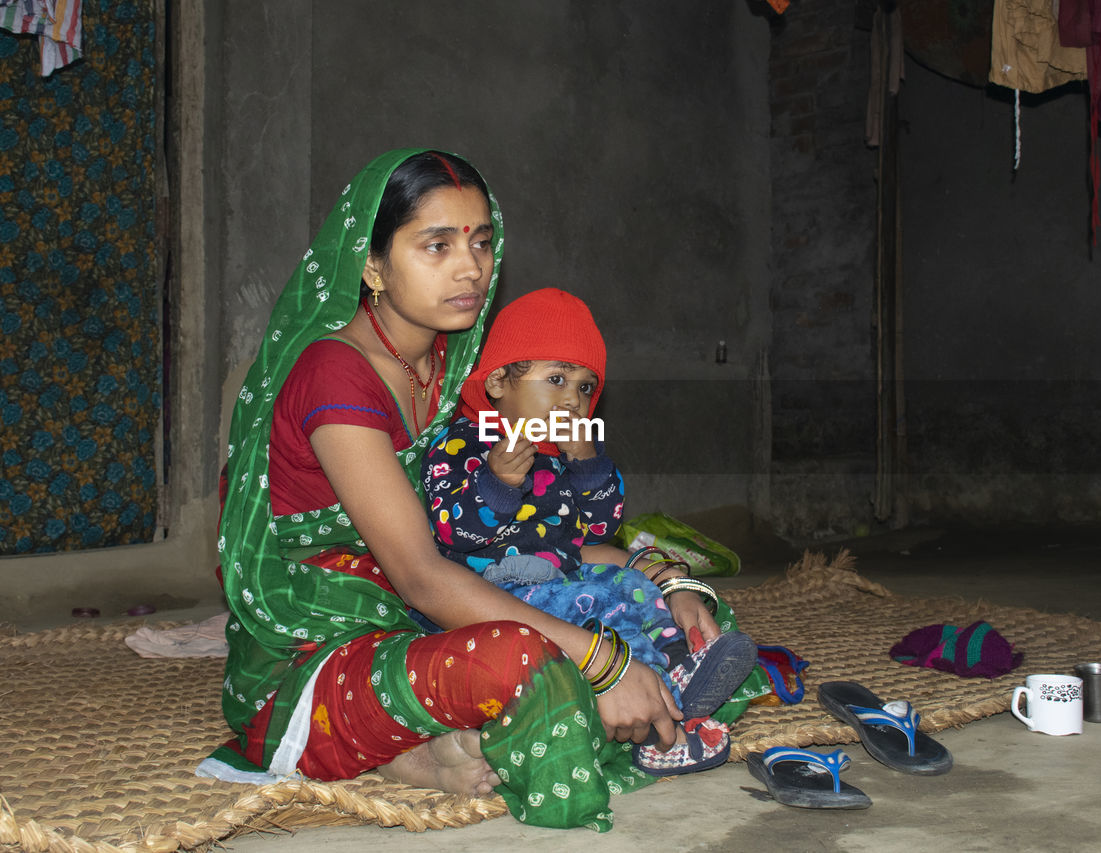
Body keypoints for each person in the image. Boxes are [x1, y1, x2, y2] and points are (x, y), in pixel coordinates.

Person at [201, 149, 742, 831]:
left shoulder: (459, 363)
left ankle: (450, 737)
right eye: (437, 244)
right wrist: (602, 659)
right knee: (522, 655)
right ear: (371, 264)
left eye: (482, 242)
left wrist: (663, 580)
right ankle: (399, 747)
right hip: (327, 635)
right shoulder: (335, 373)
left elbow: (543, 532)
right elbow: (424, 575)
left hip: (446, 601)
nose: (472, 268)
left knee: (683, 629)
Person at [422, 288, 758, 775]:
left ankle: (678, 661)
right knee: (608, 615)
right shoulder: (460, 443)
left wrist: (586, 462)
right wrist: (496, 483)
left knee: (635, 589)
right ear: (497, 381)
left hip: (566, 581)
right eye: (556, 379)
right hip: (498, 596)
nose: (572, 400)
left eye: (585, 388)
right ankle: (663, 722)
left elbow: (602, 529)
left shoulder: (565, 454)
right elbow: (455, 536)